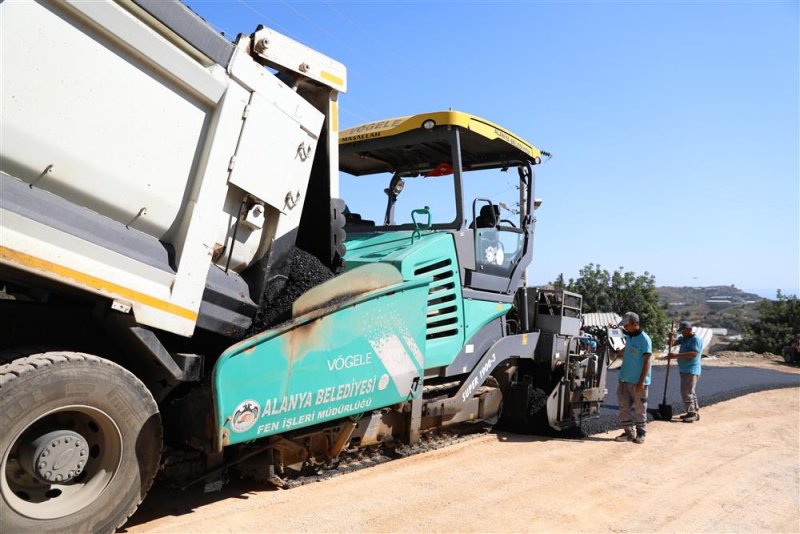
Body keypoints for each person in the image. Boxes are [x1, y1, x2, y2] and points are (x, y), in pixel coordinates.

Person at [614, 312, 652, 444]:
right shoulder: (630, 337)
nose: (626, 328)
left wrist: (641, 382)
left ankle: (641, 433)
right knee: (623, 408)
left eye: (627, 325)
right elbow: (629, 348)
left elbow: (647, 361)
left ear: (635, 324)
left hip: (638, 382)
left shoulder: (645, 339)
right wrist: (621, 352)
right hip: (624, 379)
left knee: (640, 409)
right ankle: (629, 433)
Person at [670, 320, 703, 422]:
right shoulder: (683, 338)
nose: (682, 333)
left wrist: (676, 356)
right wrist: (670, 337)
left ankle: (692, 413)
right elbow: (672, 344)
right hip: (684, 369)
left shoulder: (696, 339)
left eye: (683, 331)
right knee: (687, 391)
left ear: (689, 330)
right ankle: (692, 411)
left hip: (692, 369)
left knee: (687, 392)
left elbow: (693, 354)